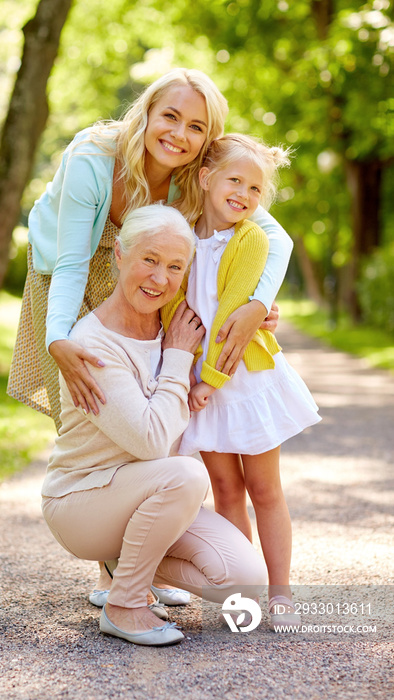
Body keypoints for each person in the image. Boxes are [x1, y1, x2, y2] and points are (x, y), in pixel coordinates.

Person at [7, 67, 291, 605]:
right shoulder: (94, 159)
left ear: (208, 142)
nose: (179, 135)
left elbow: (273, 236)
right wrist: (58, 339)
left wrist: (256, 303)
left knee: (144, 407)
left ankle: (138, 562)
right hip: (67, 274)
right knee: (94, 405)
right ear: (146, 113)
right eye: (170, 117)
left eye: (195, 127)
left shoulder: (195, 174)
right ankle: (113, 575)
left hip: (145, 272)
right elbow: (71, 262)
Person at [41, 204, 267, 646]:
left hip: (146, 499)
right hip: (81, 502)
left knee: (244, 582)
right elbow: (151, 441)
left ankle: (127, 565)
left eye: (174, 267)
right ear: (120, 256)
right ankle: (124, 604)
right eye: (149, 259)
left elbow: (257, 248)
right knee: (184, 474)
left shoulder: (175, 327)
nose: (160, 279)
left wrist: (259, 309)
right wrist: (180, 359)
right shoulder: (93, 345)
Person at [161, 134, 321, 631]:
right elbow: (173, 305)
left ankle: (281, 593)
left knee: (265, 489)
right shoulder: (181, 232)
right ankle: (242, 594)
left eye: (255, 188)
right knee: (226, 491)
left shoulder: (250, 238)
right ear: (206, 178)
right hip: (201, 382)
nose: (245, 195)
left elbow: (232, 312)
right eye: (235, 181)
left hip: (241, 378)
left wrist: (209, 379)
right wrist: (181, 367)